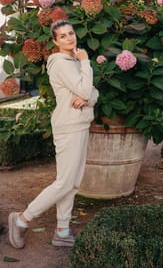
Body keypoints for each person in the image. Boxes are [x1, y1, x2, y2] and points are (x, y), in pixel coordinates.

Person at [8, 20, 99, 248]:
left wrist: (88, 98)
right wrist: (86, 64)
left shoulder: (73, 61)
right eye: (63, 36)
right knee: (64, 182)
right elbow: (86, 88)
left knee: (73, 182)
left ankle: (62, 230)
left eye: (71, 33)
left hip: (80, 124)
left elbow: (93, 92)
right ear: (55, 41)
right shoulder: (63, 63)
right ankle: (22, 219)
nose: (70, 38)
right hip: (69, 126)